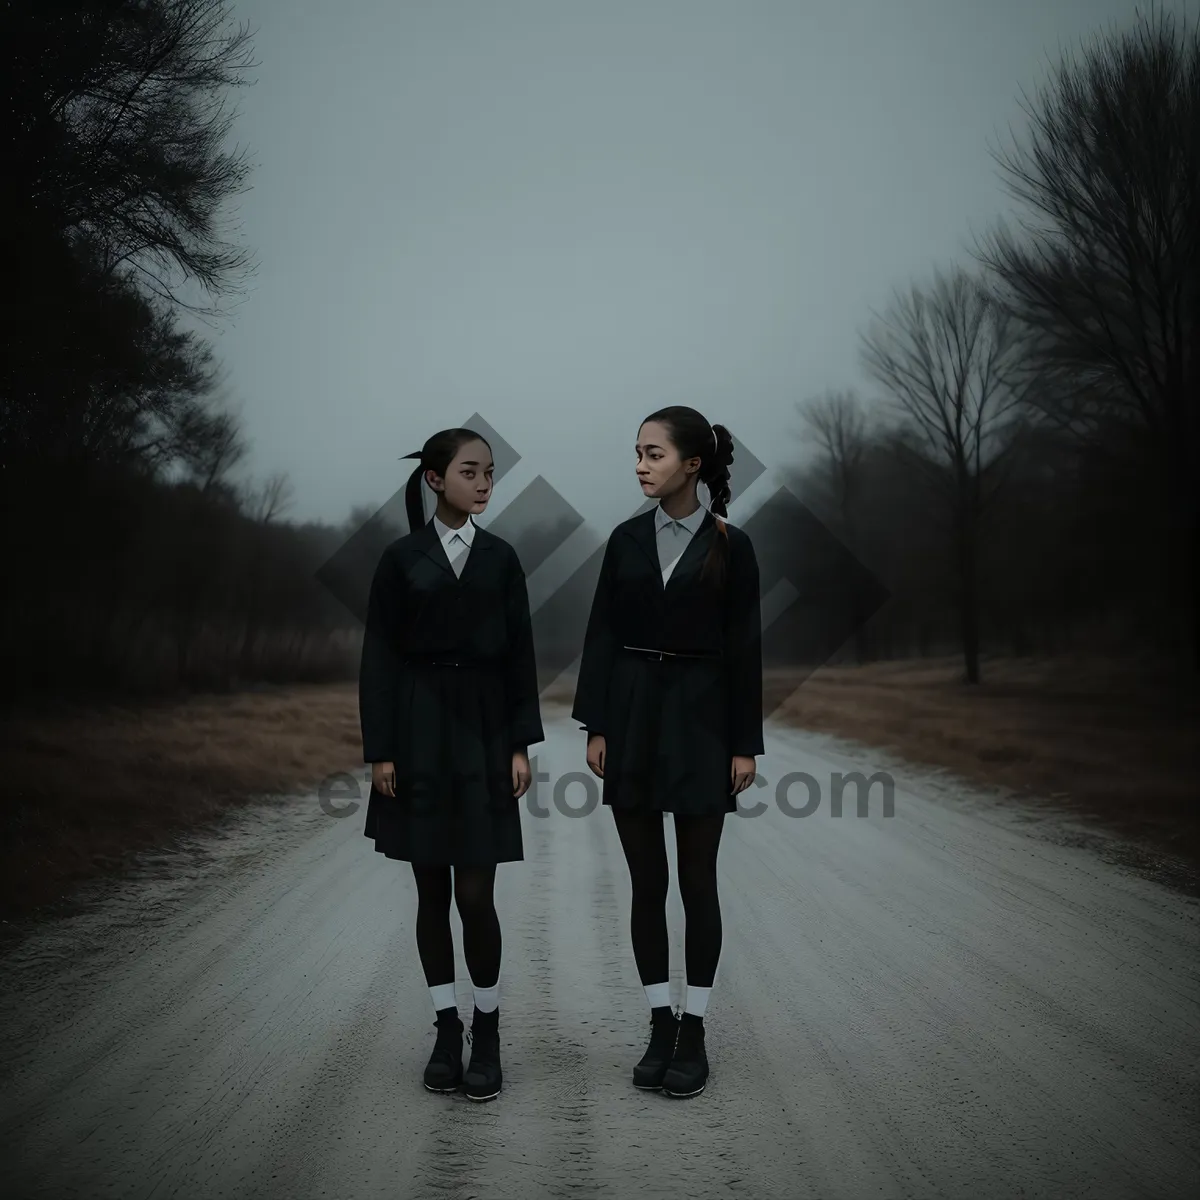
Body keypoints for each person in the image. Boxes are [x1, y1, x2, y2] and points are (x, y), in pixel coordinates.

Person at [572, 405, 763, 1099]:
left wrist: (745, 744)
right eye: (636, 453)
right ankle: (659, 1021)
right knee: (647, 883)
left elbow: (746, 652)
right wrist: (596, 724)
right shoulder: (623, 540)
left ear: (692, 464)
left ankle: (696, 1029)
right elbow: (600, 633)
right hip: (631, 716)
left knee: (697, 882)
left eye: (653, 454)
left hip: (705, 723)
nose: (640, 465)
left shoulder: (730, 547)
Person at [359, 428, 543, 1102]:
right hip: (415, 730)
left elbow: (521, 654)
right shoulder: (399, 558)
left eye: (491, 472)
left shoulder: (501, 558)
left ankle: (487, 1028)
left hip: (486, 730)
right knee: (431, 892)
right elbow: (378, 658)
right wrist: (380, 748)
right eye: (472, 472)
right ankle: (445, 1027)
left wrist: (521, 743)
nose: (486, 483)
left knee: (475, 895)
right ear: (436, 480)